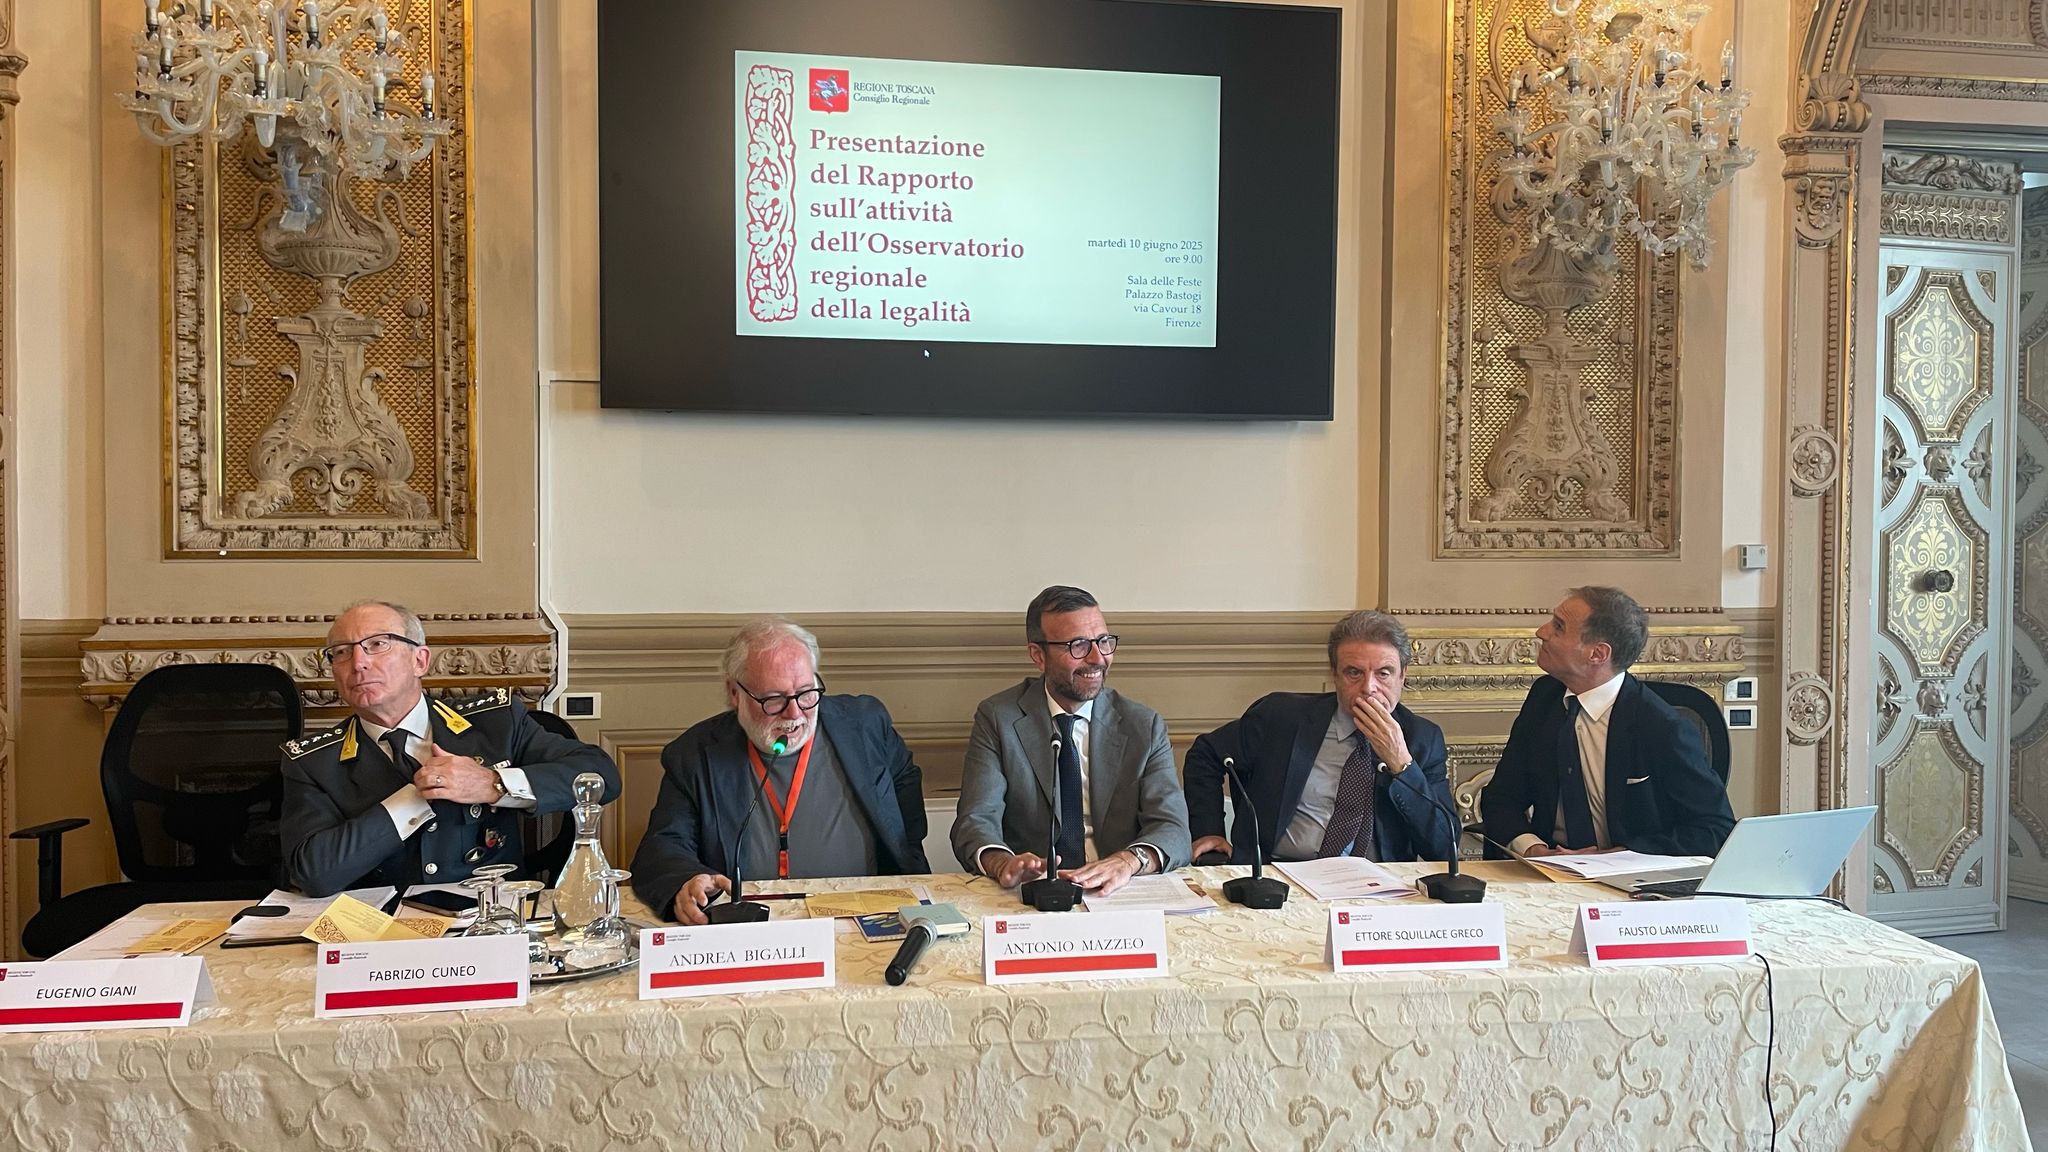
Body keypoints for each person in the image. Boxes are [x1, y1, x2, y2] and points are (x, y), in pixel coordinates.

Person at [282, 599, 620, 897]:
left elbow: (601, 775)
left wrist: (493, 784)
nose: (358, 663)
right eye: (342, 652)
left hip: (490, 917)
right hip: (381, 931)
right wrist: (413, 798)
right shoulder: (314, 761)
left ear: (420, 660)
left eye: (378, 644)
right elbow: (314, 873)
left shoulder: (496, 723)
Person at [632, 617, 929, 924]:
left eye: (806, 692)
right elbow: (664, 844)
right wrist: (687, 880)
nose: (795, 713)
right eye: (774, 699)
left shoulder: (866, 725)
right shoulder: (694, 754)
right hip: (750, 923)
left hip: (866, 912)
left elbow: (904, 794)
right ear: (734, 693)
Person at [951, 586, 1191, 897]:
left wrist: (1128, 861)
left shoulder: (1143, 726)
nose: (1098, 658)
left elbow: (1173, 829)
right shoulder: (999, 718)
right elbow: (975, 821)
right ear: (1038, 656)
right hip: (1036, 893)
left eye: (1104, 641)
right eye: (1078, 645)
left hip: (1117, 891)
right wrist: (1003, 864)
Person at [1480, 586, 1735, 858]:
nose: (1541, 632)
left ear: (1598, 654)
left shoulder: (1662, 727)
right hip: (1546, 871)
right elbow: (1501, 799)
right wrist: (1534, 849)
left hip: (1629, 877)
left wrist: (1617, 856)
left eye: (1558, 627)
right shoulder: (1545, 698)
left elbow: (1715, 830)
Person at [1186, 610, 1456, 864]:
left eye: (1383, 673)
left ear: (1403, 675)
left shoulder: (1422, 739)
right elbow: (1206, 754)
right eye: (1354, 672)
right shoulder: (1281, 717)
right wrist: (1209, 830)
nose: (1369, 688)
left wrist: (1402, 765)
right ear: (1335, 673)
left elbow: (1444, 848)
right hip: (1278, 873)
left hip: (1375, 882)